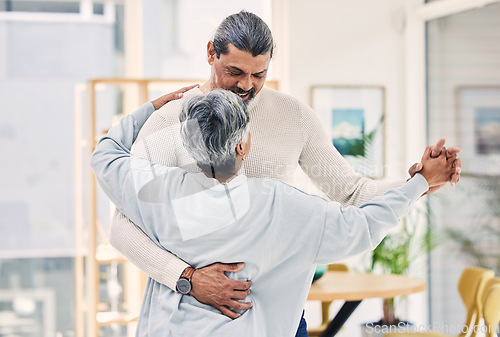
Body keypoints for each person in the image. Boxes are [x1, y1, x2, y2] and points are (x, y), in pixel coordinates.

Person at [108, 10, 462, 335]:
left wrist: (416, 183)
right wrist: (186, 278)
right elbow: (122, 225)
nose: (247, 85)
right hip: (188, 316)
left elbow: (352, 192)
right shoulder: (168, 122)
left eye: (258, 75)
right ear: (211, 53)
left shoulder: (295, 117)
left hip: (283, 320)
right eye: (235, 72)